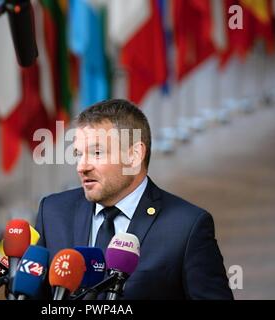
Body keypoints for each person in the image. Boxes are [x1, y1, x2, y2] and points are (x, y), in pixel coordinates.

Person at [35, 99, 233, 299]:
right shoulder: (52, 212)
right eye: (78, 154)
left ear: (134, 155)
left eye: (96, 153)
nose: (82, 166)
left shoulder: (186, 228)